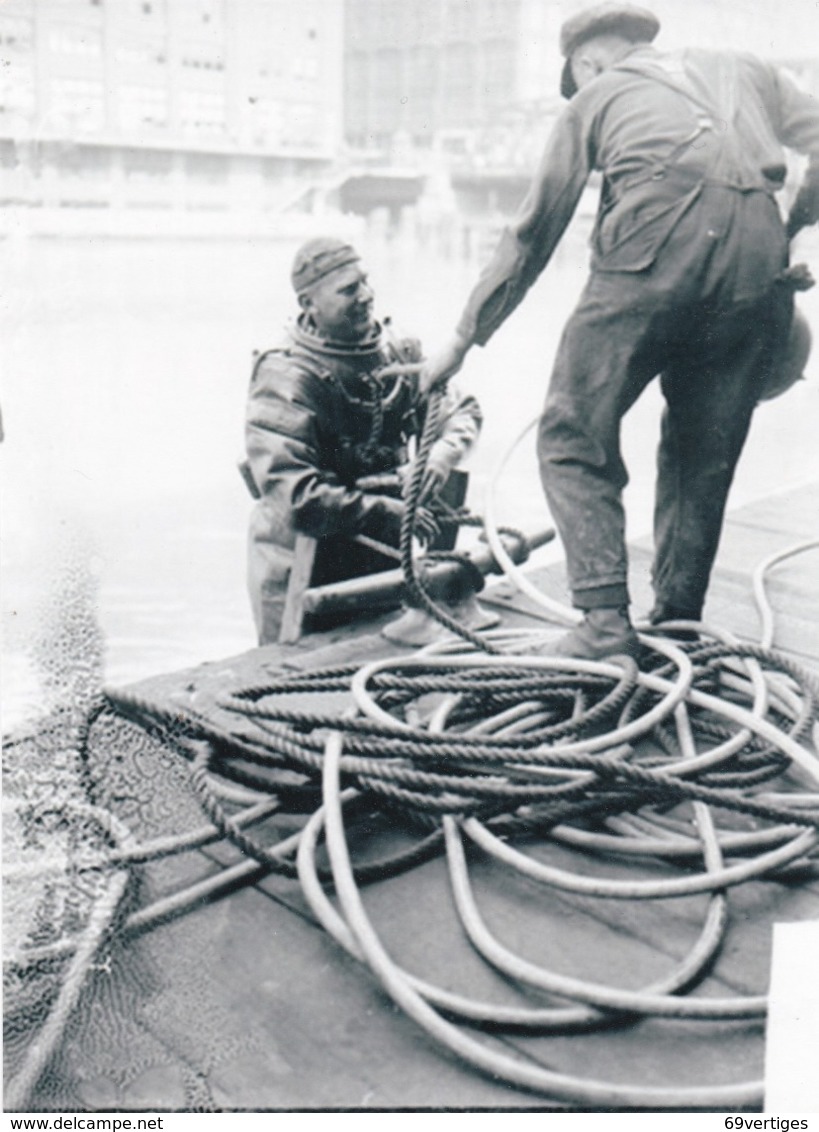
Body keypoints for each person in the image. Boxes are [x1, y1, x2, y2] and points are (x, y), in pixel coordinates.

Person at [421, 2, 819, 660]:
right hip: (758, 268)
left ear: (587, 61)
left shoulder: (594, 97)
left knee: (572, 434)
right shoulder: (746, 69)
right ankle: (677, 620)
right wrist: (796, 221)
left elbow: (531, 236)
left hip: (649, 257)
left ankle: (605, 627)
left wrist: (462, 338)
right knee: (702, 448)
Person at [244, 236, 483, 645]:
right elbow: (296, 495)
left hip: (386, 556)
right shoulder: (284, 376)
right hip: (301, 565)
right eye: (349, 290)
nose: (366, 297)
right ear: (308, 305)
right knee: (297, 673)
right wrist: (386, 512)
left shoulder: (398, 352)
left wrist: (439, 457)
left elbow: (463, 411)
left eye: (365, 283)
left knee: (383, 658)